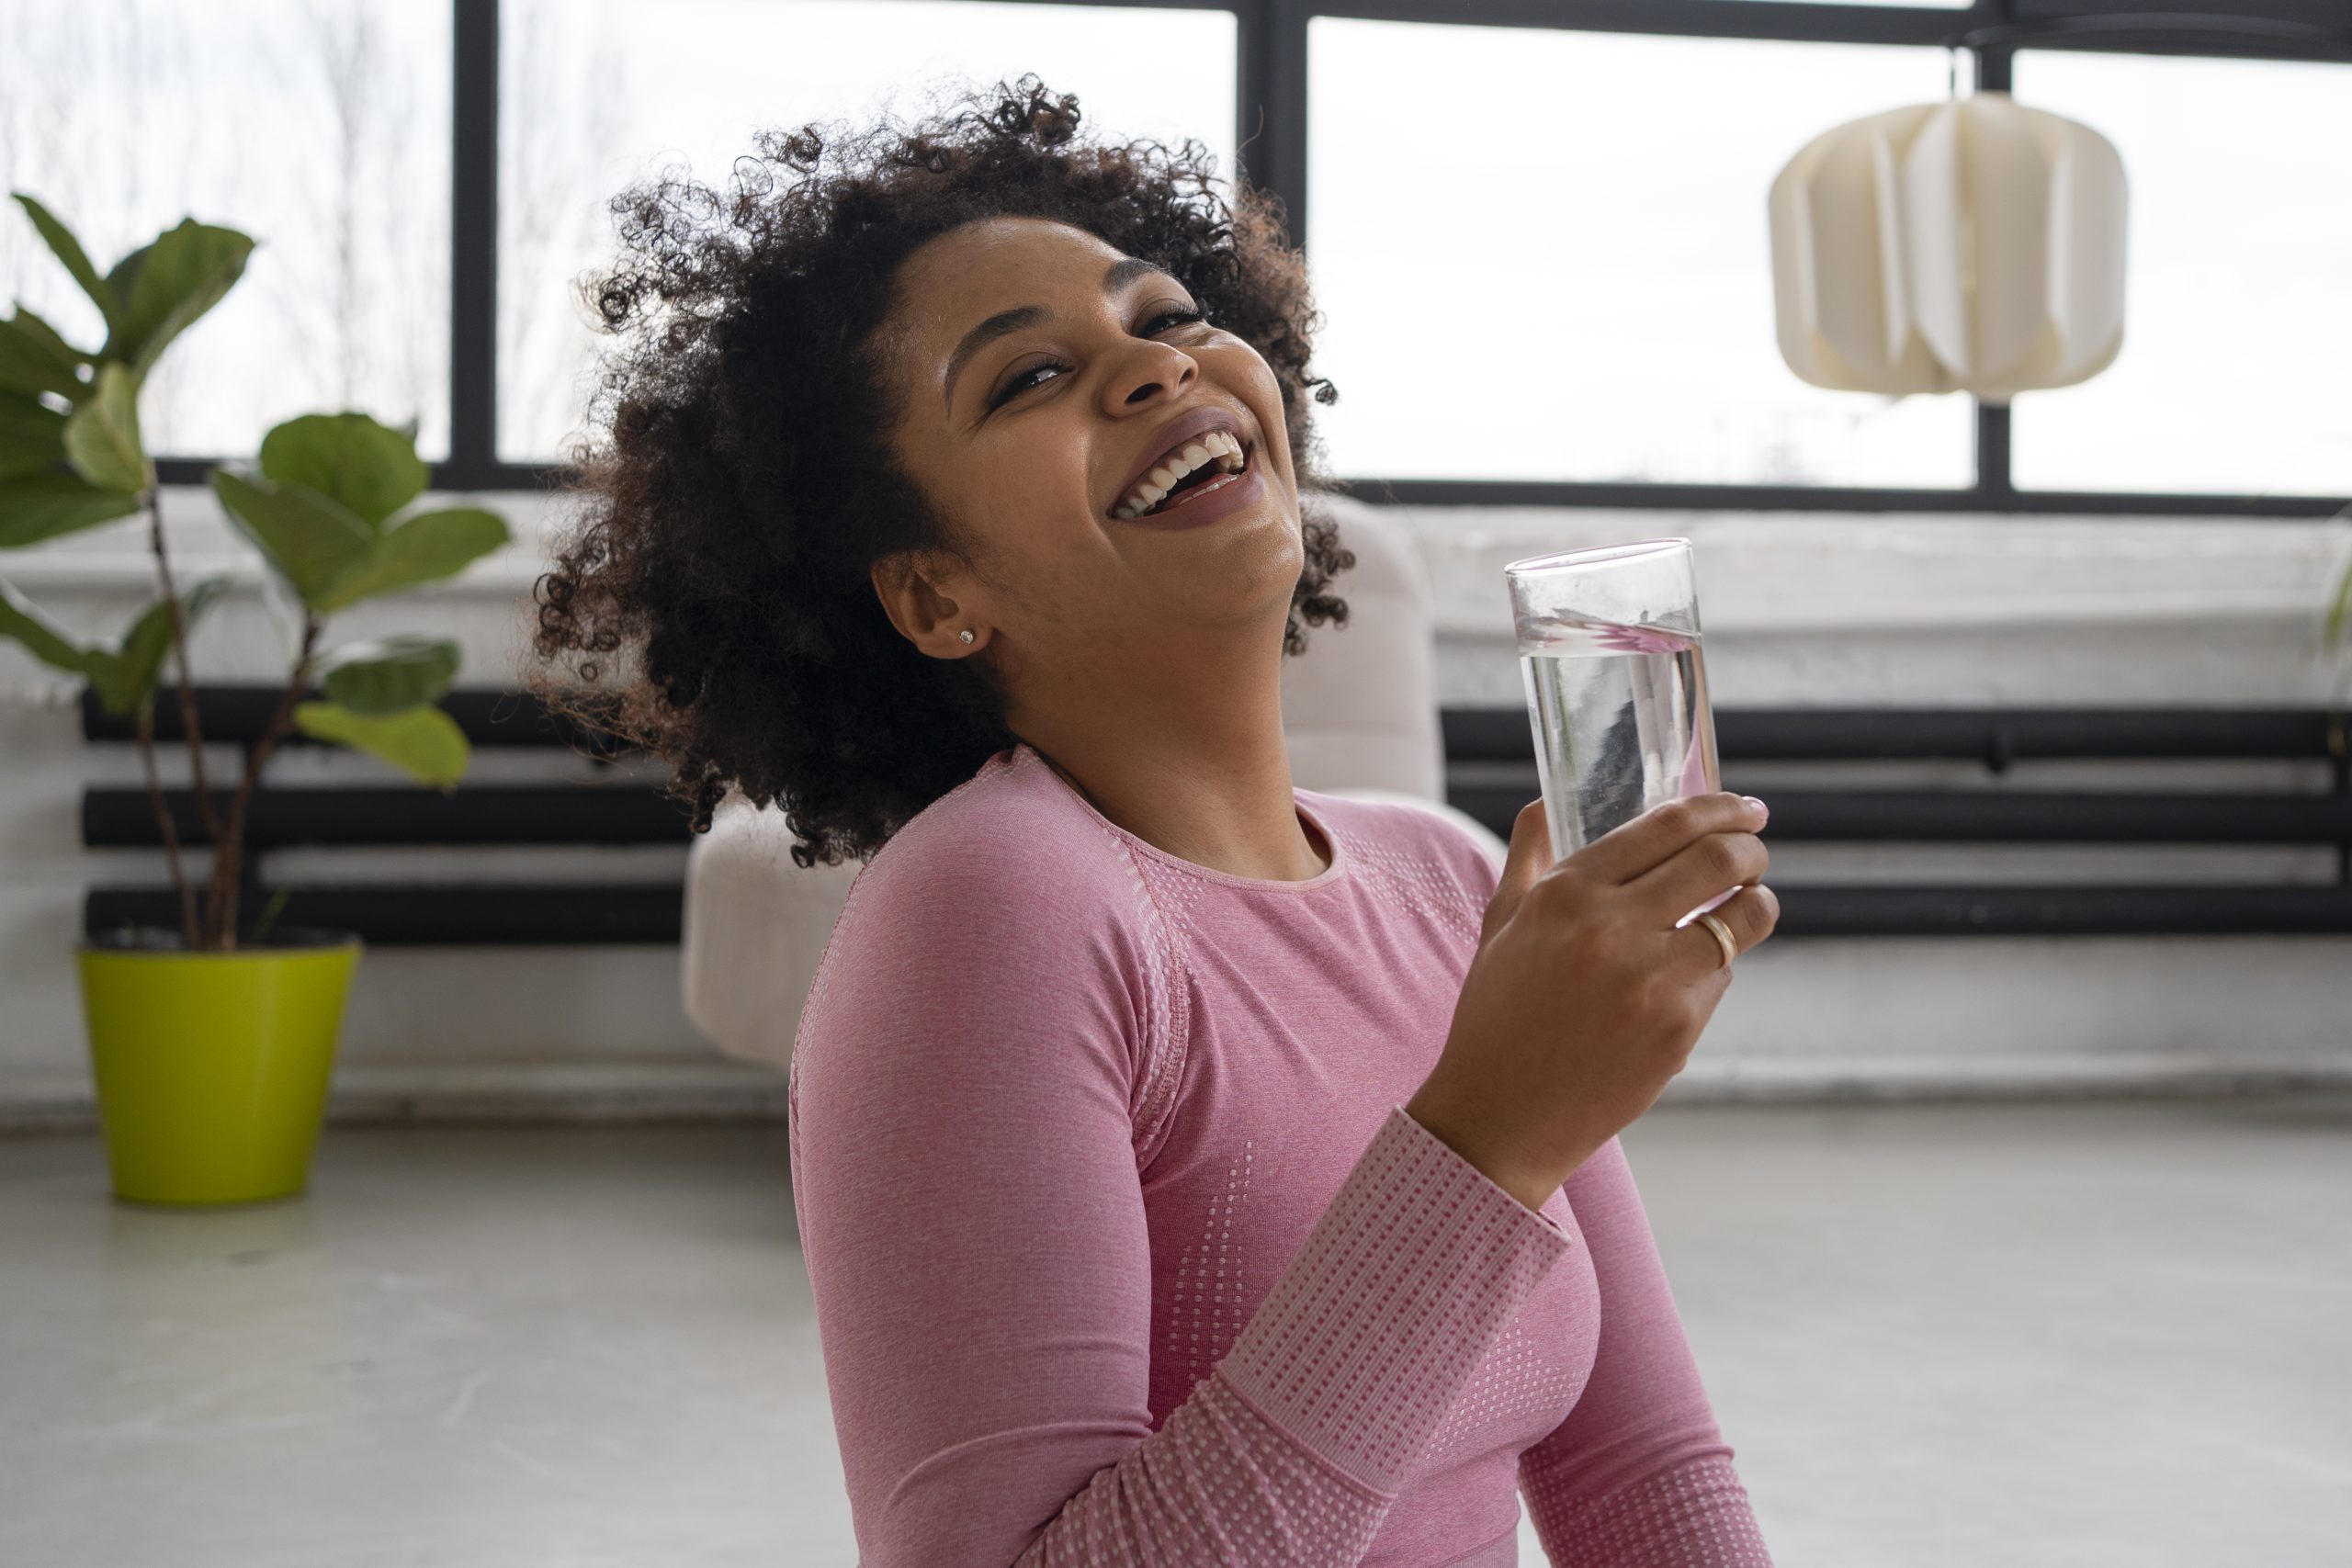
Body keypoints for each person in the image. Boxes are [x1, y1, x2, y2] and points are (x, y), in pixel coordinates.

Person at [529, 74, 1781, 1567]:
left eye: (1168, 315)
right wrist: (1489, 1141)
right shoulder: (993, 908)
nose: (1150, 369)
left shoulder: (1451, 880)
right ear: (935, 595)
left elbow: (1645, 1480)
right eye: (1025, 379)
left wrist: (1521, 1117)